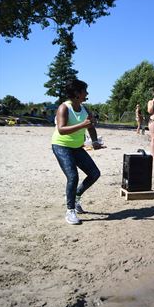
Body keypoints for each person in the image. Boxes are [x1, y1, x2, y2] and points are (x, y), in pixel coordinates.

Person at [51, 79, 104, 225]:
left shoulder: (85, 108)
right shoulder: (64, 108)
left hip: (77, 147)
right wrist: (83, 124)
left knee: (94, 173)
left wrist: (94, 142)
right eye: (84, 91)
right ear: (76, 93)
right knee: (73, 176)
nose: (87, 93)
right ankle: (70, 211)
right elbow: (61, 130)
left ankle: (77, 197)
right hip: (61, 146)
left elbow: (91, 127)